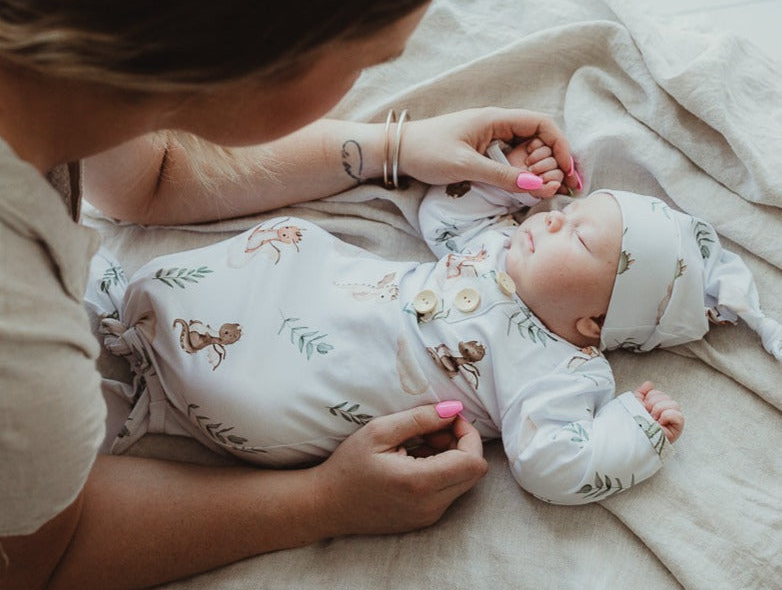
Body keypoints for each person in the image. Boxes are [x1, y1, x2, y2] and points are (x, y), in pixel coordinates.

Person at [0, 0, 585, 590]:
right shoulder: (20, 338)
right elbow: (46, 555)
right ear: (255, 52)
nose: (368, 84)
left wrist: (393, 146)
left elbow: (150, 176)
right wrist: (322, 503)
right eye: (371, 61)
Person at [87, 138, 782, 505]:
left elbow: (553, 466)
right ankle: (136, 313)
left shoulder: (558, 373)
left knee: (266, 390)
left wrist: (630, 434)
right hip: (309, 290)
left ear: (595, 324)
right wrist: (503, 175)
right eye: (570, 208)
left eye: (582, 239)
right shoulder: (493, 243)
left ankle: (159, 398)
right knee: (284, 247)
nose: (555, 219)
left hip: (317, 381)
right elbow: (439, 209)